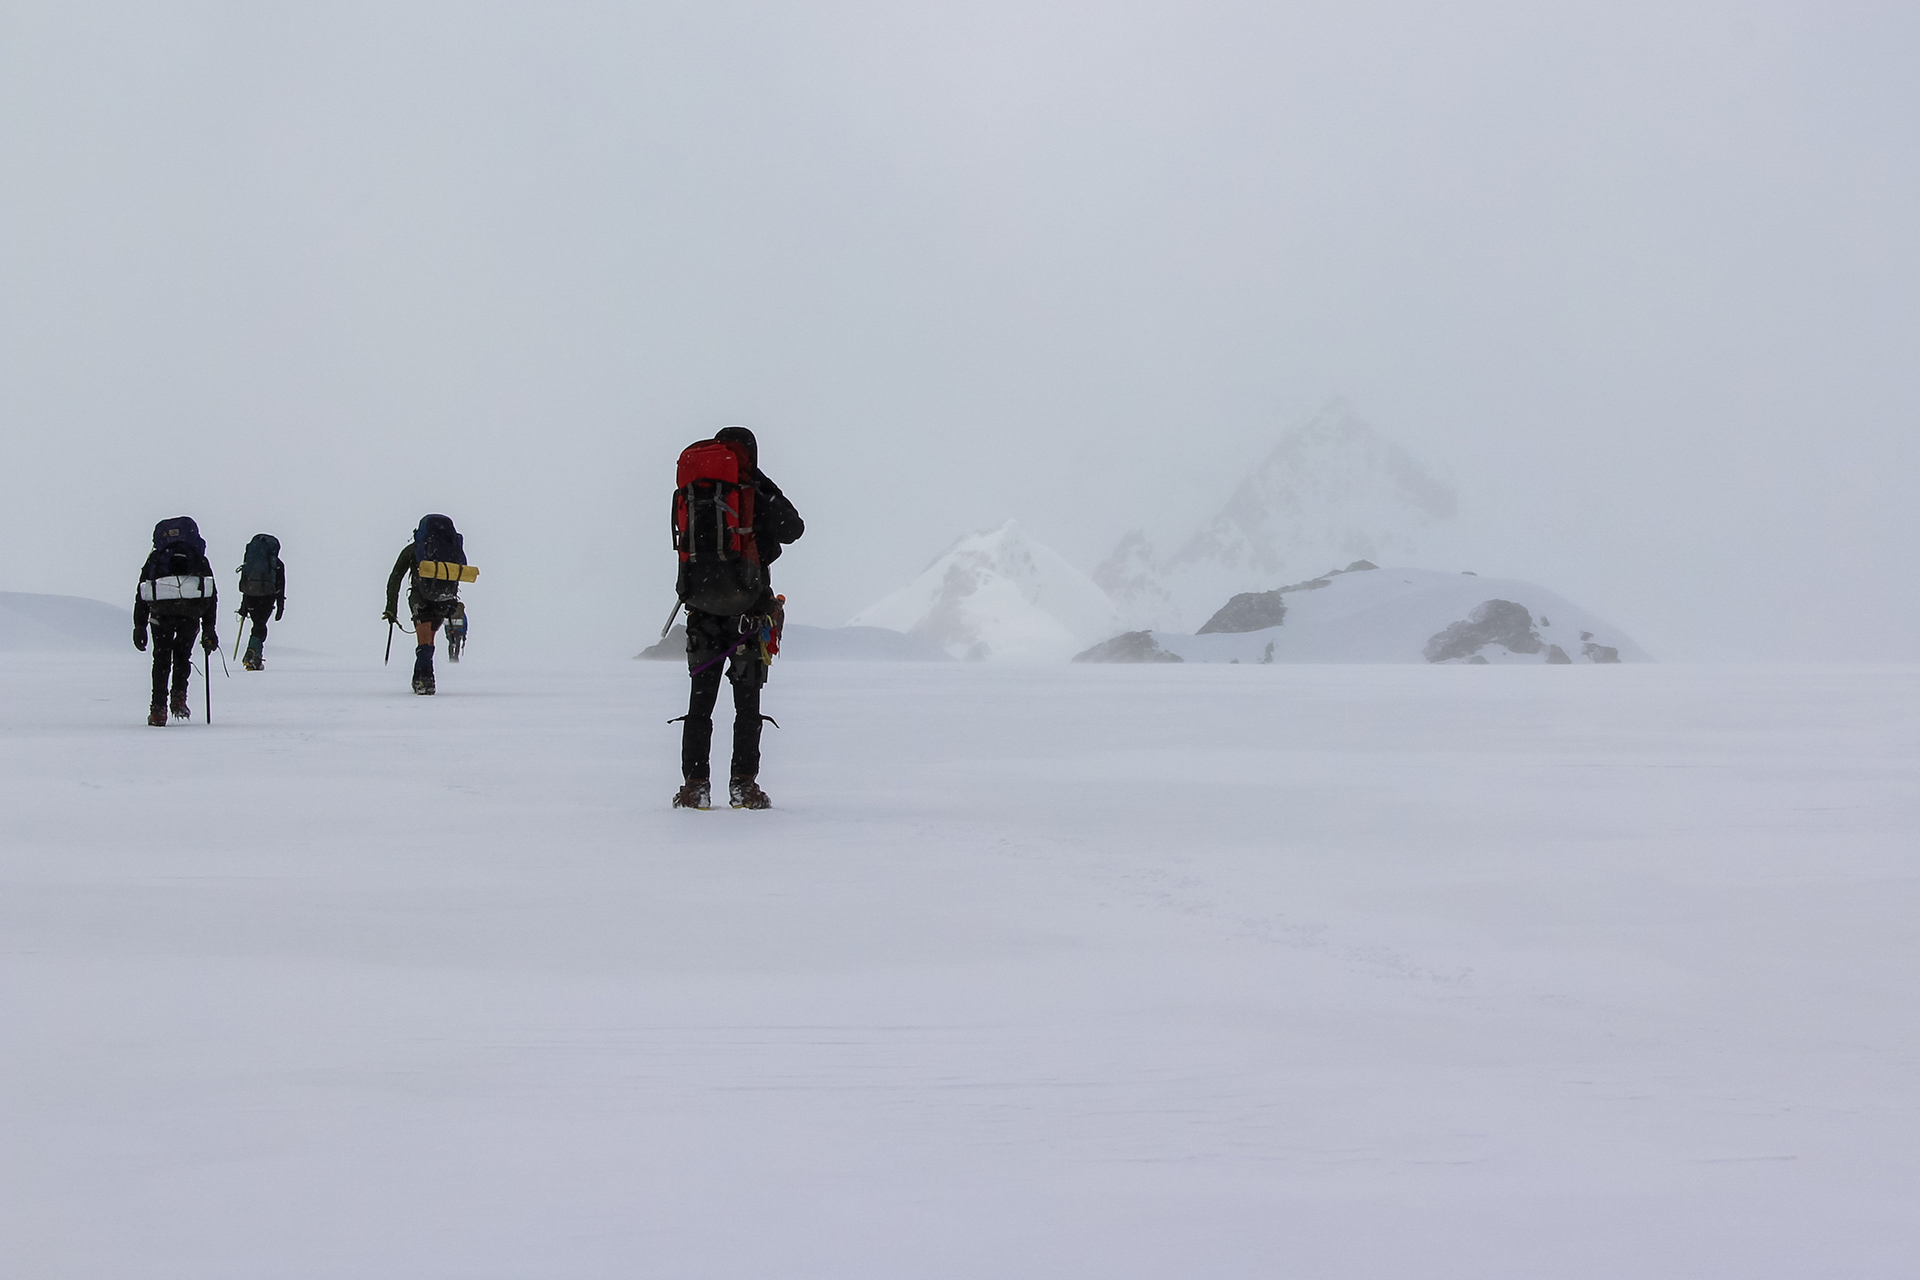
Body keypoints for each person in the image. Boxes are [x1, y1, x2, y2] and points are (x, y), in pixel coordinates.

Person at [672, 425, 804, 810]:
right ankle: (743, 786)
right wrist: (762, 486)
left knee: (700, 704)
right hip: (749, 613)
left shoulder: (695, 493)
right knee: (746, 706)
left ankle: (696, 786)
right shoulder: (752, 493)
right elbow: (793, 529)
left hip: (701, 613)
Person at [133, 516, 219, 726]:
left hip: (161, 615)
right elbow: (210, 595)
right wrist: (209, 629)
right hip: (189, 615)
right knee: (182, 657)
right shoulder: (198, 559)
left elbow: (142, 592)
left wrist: (139, 626)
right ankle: (179, 698)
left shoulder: (156, 558)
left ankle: (158, 709)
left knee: (161, 660)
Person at [382, 514, 475, 695]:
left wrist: (391, 608)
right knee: (429, 640)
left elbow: (395, 578)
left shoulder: (414, 550)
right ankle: (421, 679)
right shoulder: (451, 550)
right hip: (444, 599)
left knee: (424, 641)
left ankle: (425, 680)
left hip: (421, 599)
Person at [234, 533, 286, 670]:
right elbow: (280, 587)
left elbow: (245, 583)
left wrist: (243, 606)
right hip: (267, 597)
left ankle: (255, 657)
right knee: (260, 625)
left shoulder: (251, 564)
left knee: (258, 624)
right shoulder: (277, 565)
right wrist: (280, 607)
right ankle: (252, 653)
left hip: (250, 596)